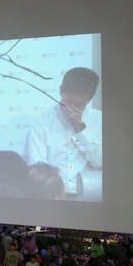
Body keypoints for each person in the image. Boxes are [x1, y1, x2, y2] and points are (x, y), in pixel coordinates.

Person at [25, 67, 102, 199]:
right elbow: (37, 166)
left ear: (89, 99)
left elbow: (100, 162)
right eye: (68, 101)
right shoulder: (43, 121)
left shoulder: (99, 120)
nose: (72, 108)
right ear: (61, 91)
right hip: (52, 197)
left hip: (90, 196)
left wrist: (80, 127)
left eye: (79, 104)